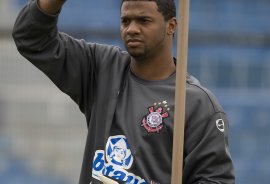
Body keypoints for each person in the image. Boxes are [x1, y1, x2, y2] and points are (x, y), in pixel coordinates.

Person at [12, 0, 235, 183]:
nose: (132, 29)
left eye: (144, 20)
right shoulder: (101, 68)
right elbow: (31, 39)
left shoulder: (196, 103)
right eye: (125, 21)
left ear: (172, 26)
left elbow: (216, 180)